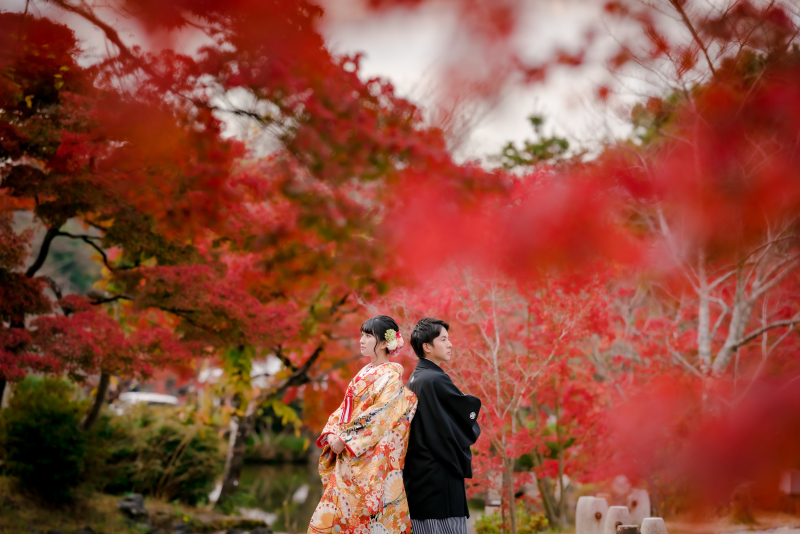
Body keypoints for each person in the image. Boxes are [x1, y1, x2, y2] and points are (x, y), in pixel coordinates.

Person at [309, 315, 418, 534]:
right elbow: (344, 410)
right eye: (362, 334)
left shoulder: (392, 376)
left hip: (367, 459)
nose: (361, 340)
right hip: (349, 456)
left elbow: (381, 415)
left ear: (385, 343)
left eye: (368, 336)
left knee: (362, 520)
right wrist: (332, 433)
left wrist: (345, 439)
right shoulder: (364, 372)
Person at [403, 317, 481, 534]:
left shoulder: (416, 378)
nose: (450, 344)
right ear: (427, 347)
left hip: (420, 479)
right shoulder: (434, 380)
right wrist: (469, 407)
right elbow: (455, 423)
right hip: (439, 481)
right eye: (444, 339)